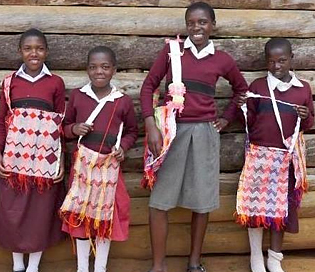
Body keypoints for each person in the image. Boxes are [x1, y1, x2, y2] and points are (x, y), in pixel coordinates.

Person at [140, 2, 248, 272]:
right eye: (191, 22)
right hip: (171, 132)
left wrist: (226, 118)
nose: (196, 27)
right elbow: (148, 86)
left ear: (213, 25)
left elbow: (241, 90)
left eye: (202, 22)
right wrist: (150, 124)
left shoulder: (222, 59)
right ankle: (158, 266)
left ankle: (194, 263)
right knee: (159, 201)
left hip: (204, 134)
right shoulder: (172, 51)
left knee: (202, 202)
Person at [236, 38, 314, 272]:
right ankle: (256, 259)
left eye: (282, 61)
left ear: (291, 59)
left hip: (286, 160)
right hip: (259, 156)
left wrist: (305, 115)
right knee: (255, 208)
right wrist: (242, 106)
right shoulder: (258, 86)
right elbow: (249, 121)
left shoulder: (303, 89)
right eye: (271, 61)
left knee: (280, 209)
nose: (276, 66)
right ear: (266, 61)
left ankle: (274, 259)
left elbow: (307, 124)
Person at [60, 46, 138, 272]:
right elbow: (63, 129)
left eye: (105, 67)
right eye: (93, 67)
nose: (99, 72)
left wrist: (123, 147)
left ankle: (100, 267)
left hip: (109, 168)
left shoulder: (121, 101)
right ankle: (82, 268)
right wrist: (75, 128)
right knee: (81, 216)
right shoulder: (77, 95)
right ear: (87, 70)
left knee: (105, 217)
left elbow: (133, 131)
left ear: (114, 69)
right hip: (83, 167)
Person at [0, 28, 66, 272]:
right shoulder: (10, 83)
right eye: (28, 48)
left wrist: (61, 161)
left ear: (46, 51)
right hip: (13, 160)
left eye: (39, 48)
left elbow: (60, 124)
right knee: (12, 211)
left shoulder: (55, 83)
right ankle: (18, 265)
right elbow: (0, 120)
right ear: (20, 51)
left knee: (40, 212)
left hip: (45, 162)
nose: (34, 53)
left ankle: (33, 267)